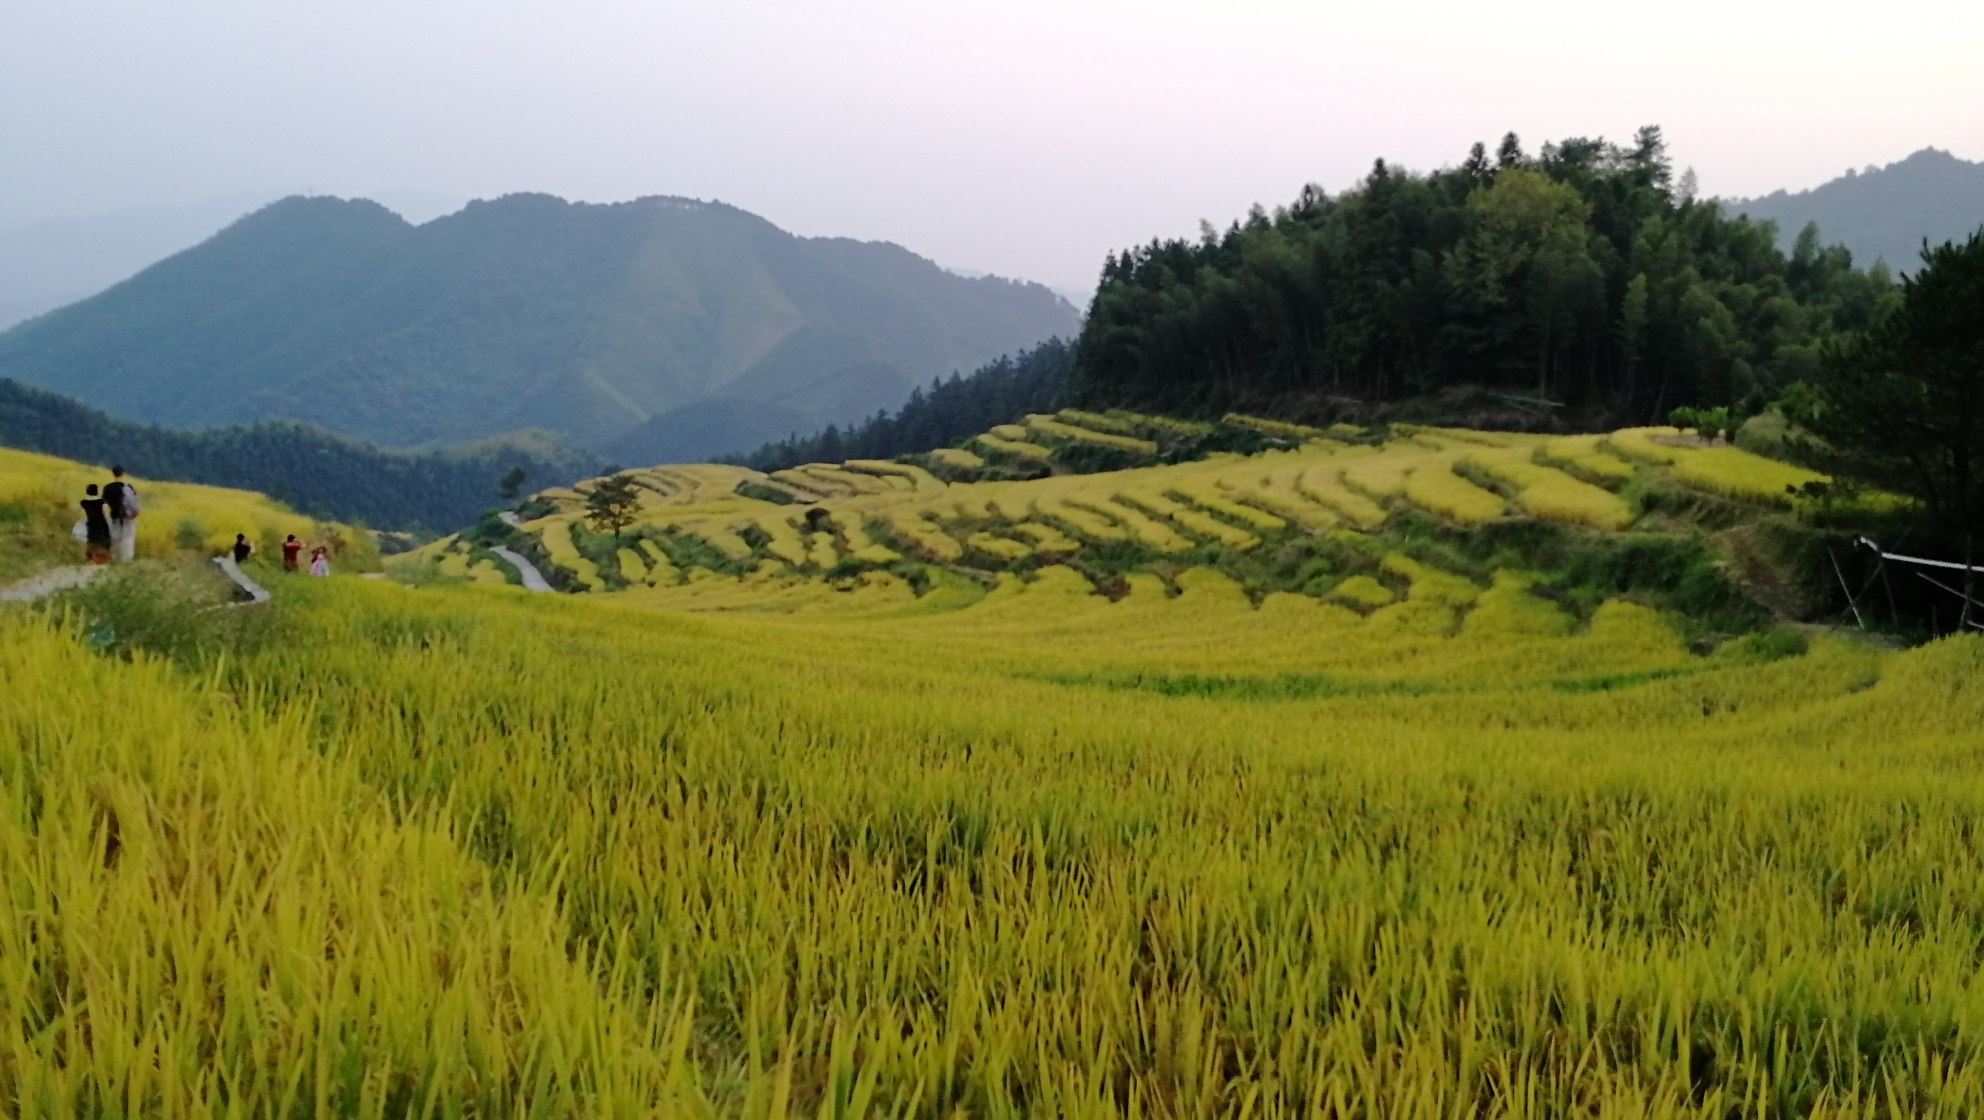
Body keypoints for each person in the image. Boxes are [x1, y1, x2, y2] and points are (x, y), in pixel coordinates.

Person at [103, 466, 140, 563]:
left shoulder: (108, 488)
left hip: (114, 516)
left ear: (113, 473)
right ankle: (126, 560)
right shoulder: (128, 487)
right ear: (122, 473)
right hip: (128, 517)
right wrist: (134, 514)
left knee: (114, 538)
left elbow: (104, 504)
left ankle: (115, 559)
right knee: (127, 538)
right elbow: (135, 503)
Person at [79, 484, 112, 564]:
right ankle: (101, 559)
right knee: (103, 541)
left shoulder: (84, 502)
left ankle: (91, 558)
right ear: (97, 491)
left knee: (92, 540)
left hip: (90, 523)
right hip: (101, 523)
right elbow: (105, 513)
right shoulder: (101, 502)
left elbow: (79, 513)